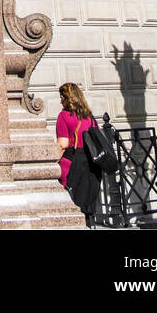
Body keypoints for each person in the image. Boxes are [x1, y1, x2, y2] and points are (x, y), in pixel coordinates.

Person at [55, 82, 101, 224]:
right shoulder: (89, 117)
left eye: (61, 96)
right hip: (93, 165)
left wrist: (53, 162)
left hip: (75, 163)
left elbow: (63, 144)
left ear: (66, 98)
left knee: (73, 204)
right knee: (88, 206)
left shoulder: (64, 116)